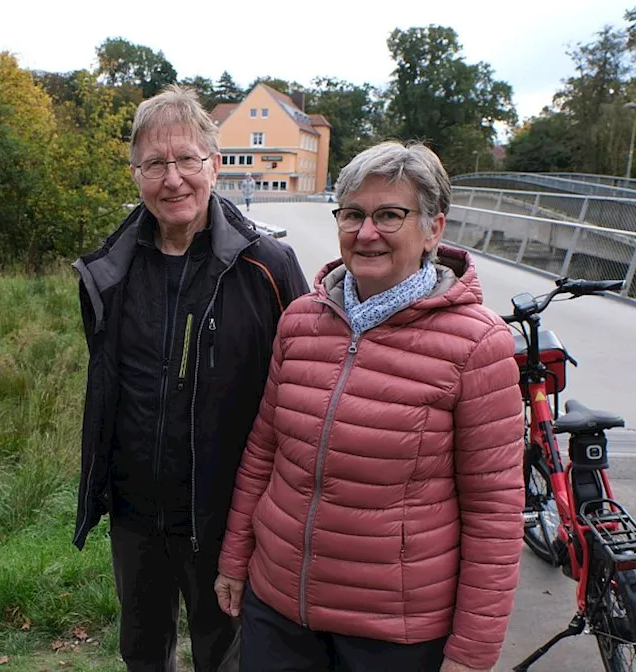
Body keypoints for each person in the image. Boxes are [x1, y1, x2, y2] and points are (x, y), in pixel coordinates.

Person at [214, 140, 526, 672]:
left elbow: (494, 512)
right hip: (280, 607)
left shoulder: (478, 345)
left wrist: (472, 654)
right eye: (353, 214)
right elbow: (264, 453)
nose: (366, 232)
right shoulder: (302, 320)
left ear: (433, 229)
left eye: (389, 215)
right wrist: (235, 560)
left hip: (394, 633)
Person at [72, 84, 310, 672]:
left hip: (225, 513)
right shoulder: (109, 270)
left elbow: (302, 387)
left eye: (186, 160)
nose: (172, 178)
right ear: (135, 175)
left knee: (222, 653)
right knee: (142, 650)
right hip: (134, 511)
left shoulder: (267, 267)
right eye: (154, 164)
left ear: (215, 164)